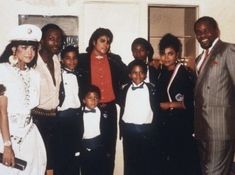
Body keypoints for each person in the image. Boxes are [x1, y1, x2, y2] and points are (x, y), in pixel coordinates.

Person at [78, 27, 129, 175]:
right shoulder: (82, 60)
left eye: (108, 42)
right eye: (102, 41)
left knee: (108, 151)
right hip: (89, 109)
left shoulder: (115, 60)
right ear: (94, 41)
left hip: (109, 110)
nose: (105, 45)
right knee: (89, 150)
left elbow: (129, 75)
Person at [0, 24, 46, 174]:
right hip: (7, 134)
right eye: (24, 47)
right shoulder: (3, 70)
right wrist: (7, 145)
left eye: (33, 48)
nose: (30, 52)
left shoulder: (34, 75)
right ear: (14, 49)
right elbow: (2, 112)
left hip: (29, 134)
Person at [193, 16, 235, 175]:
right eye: (198, 32)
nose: (202, 35)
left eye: (206, 31)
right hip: (202, 129)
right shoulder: (199, 59)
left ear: (216, 31)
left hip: (220, 128)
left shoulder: (228, 50)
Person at [156, 33, 197, 175]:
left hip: (180, 126)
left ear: (177, 54)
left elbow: (192, 102)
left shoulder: (184, 73)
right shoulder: (162, 72)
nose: (166, 57)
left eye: (170, 54)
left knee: (180, 164)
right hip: (165, 125)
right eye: (163, 54)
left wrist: (169, 104)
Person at [31, 23, 64, 175]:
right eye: (51, 38)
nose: (56, 42)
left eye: (58, 39)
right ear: (42, 41)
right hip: (37, 119)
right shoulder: (32, 63)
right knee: (39, 163)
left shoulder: (57, 60)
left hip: (54, 118)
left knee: (52, 164)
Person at [119, 59, 159, 175]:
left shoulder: (152, 89)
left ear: (145, 74)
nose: (138, 75)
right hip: (129, 131)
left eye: (141, 72)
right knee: (130, 163)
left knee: (147, 163)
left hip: (147, 131)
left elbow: (156, 109)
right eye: (134, 72)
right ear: (130, 75)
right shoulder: (124, 89)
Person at [54, 45, 82, 175]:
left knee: (75, 154)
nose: (72, 61)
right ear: (62, 59)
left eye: (74, 58)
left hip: (76, 118)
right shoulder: (57, 74)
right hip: (61, 119)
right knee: (61, 155)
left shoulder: (81, 75)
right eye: (68, 58)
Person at [78, 85, 106, 175]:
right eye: (90, 98)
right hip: (85, 149)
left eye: (96, 98)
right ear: (83, 100)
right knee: (86, 171)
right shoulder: (79, 115)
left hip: (99, 148)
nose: (93, 100)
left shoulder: (101, 112)